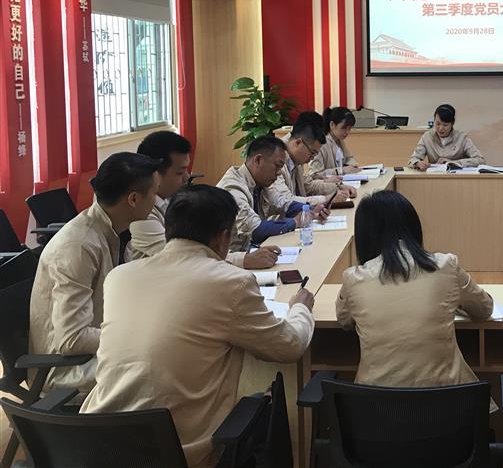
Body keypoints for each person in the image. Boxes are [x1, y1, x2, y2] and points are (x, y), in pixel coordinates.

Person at [81, 185, 315, 468]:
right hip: (176, 454)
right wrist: (301, 308)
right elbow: (289, 346)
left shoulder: (120, 277)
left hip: (96, 445)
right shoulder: (231, 282)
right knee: (265, 405)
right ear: (224, 237)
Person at [336, 191, 493, 392]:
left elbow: (344, 321)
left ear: (364, 236)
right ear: (413, 226)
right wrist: (454, 302)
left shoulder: (353, 278)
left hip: (377, 407)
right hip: (447, 404)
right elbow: (484, 309)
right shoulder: (445, 265)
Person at [29, 152, 161, 392]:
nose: (157, 201)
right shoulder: (79, 247)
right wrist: (132, 334)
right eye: (154, 193)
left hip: (96, 350)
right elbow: (72, 339)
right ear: (133, 199)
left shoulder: (116, 231)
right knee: (163, 362)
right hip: (64, 368)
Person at [217, 135, 326, 269]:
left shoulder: (260, 183)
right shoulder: (232, 188)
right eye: (277, 166)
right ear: (258, 160)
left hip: (252, 254)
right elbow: (256, 230)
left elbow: (284, 204)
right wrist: (295, 222)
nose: (279, 173)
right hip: (230, 263)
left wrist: (311, 210)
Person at [270, 114, 356, 211]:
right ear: (298, 142)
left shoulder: (296, 157)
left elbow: (307, 185)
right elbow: (284, 201)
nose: (311, 159)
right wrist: (326, 199)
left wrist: (337, 188)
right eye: (312, 153)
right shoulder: (276, 158)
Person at [129, 130, 192, 258]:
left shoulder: (170, 199)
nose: (187, 177)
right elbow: (180, 255)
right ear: (155, 174)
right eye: (180, 172)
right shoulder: (142, 213)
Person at [409, 103, 485, 170]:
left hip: (456, 178)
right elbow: (413, 159)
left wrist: (454, 163)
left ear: (452, 124)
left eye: (445, 125)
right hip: (434, 177)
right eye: (438, 124)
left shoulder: (462, 138)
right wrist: (418, 163)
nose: (440, 128)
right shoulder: (427, 136)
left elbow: (480, 160)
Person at [308, 106, 361, 181]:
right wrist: (340, 170)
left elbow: (349, 158)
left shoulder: (339, 141)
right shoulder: (320, 144)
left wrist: (352, 166)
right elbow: (315, 175)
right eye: (344, 128)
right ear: (332, 124)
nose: (347, 132)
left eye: (349, 128)